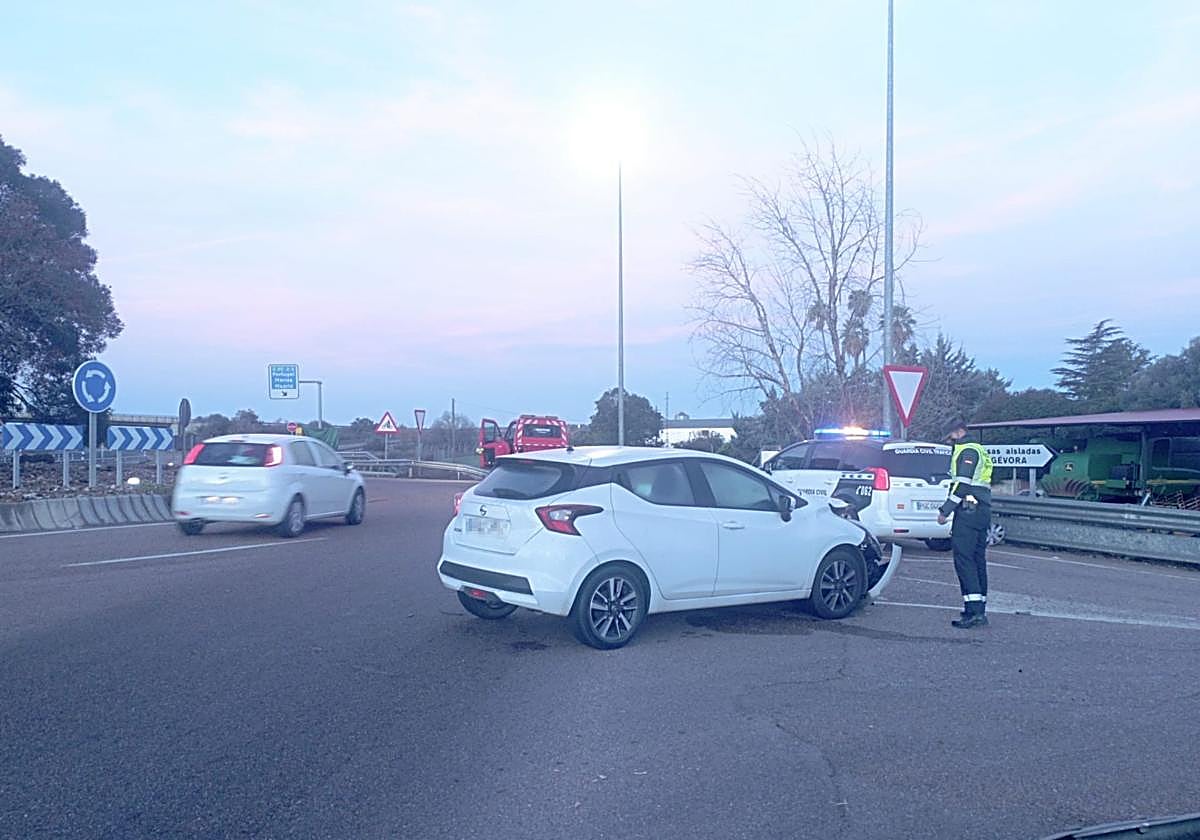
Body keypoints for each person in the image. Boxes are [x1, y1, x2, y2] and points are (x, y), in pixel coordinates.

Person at [936, 418, 994, 628]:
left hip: (969, 511)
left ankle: (974, 612)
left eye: (951, 435)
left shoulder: (968, 451)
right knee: (977, 560)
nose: (950, 439)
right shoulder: (978, 449)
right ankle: (978, 607)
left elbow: (962, 485)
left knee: (965, 560)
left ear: (959, 432)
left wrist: (945, 510)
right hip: (981, 510)